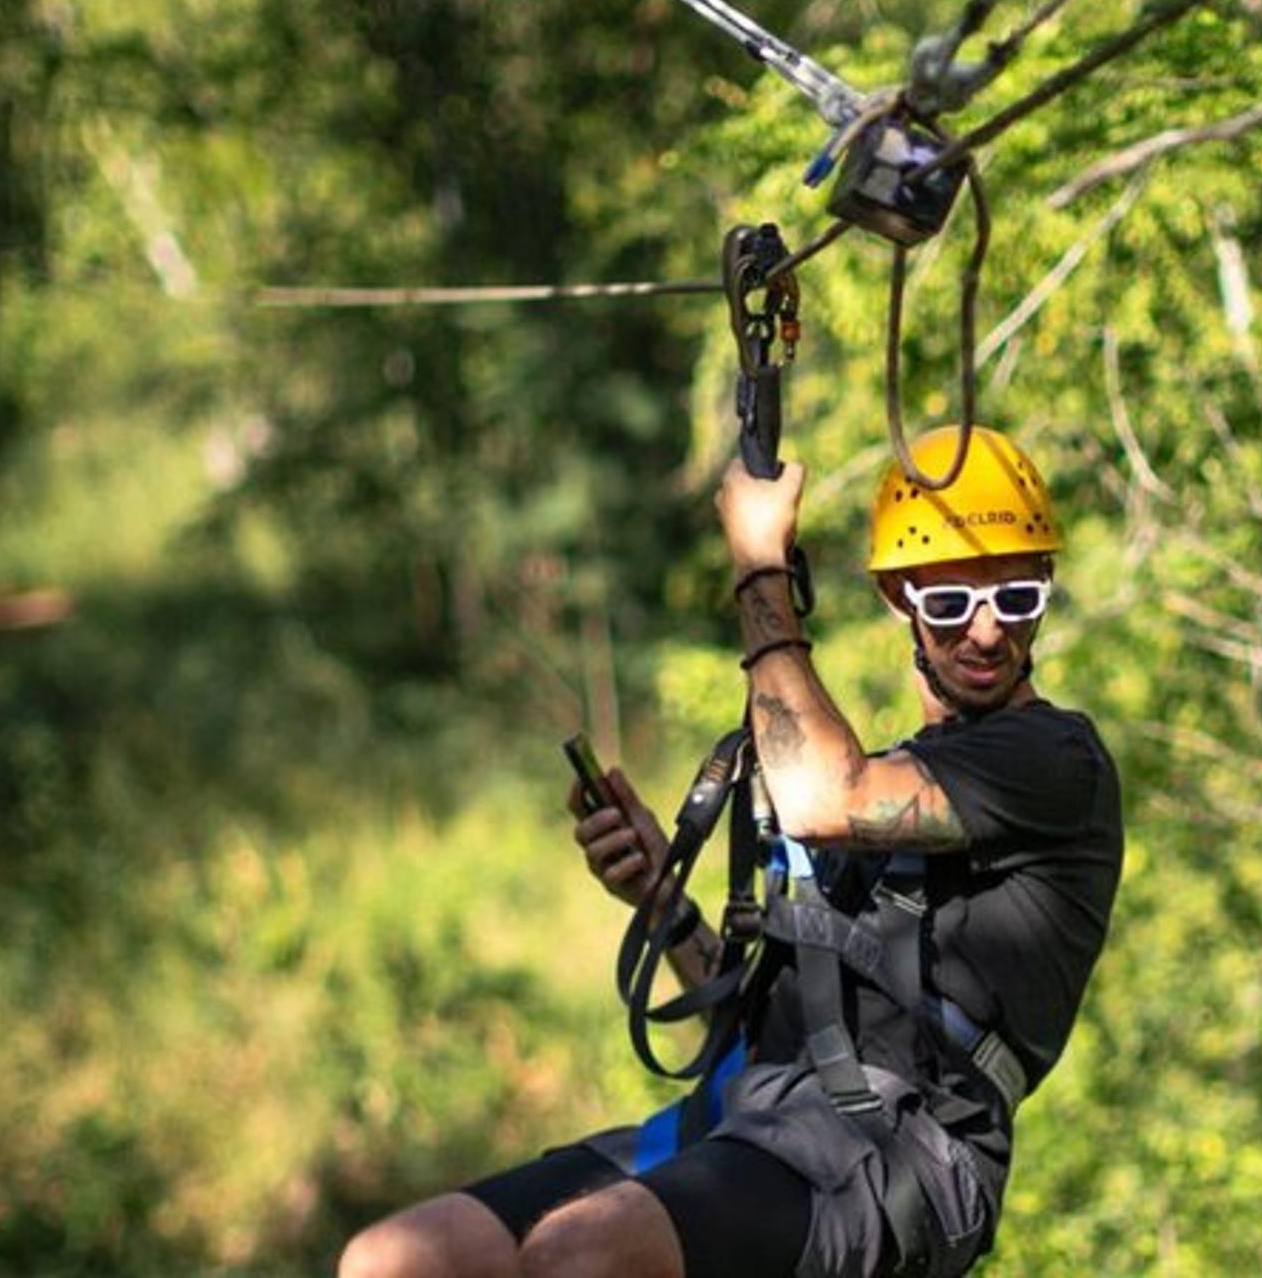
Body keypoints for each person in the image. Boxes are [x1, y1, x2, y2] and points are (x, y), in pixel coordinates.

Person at [339, 424, 1122, 1278]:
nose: (983, 632)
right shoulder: (904, 779)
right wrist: (662, 903)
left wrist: (759, 564)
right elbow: (764, 1026)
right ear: (901, 598)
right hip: (761, 1114)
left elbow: (822, 796)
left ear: (1045, 588)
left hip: (902, 1154)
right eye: (948, 603)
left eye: (1014, 598)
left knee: (581, 1255)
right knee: (397, 1259)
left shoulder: (1053, 765)